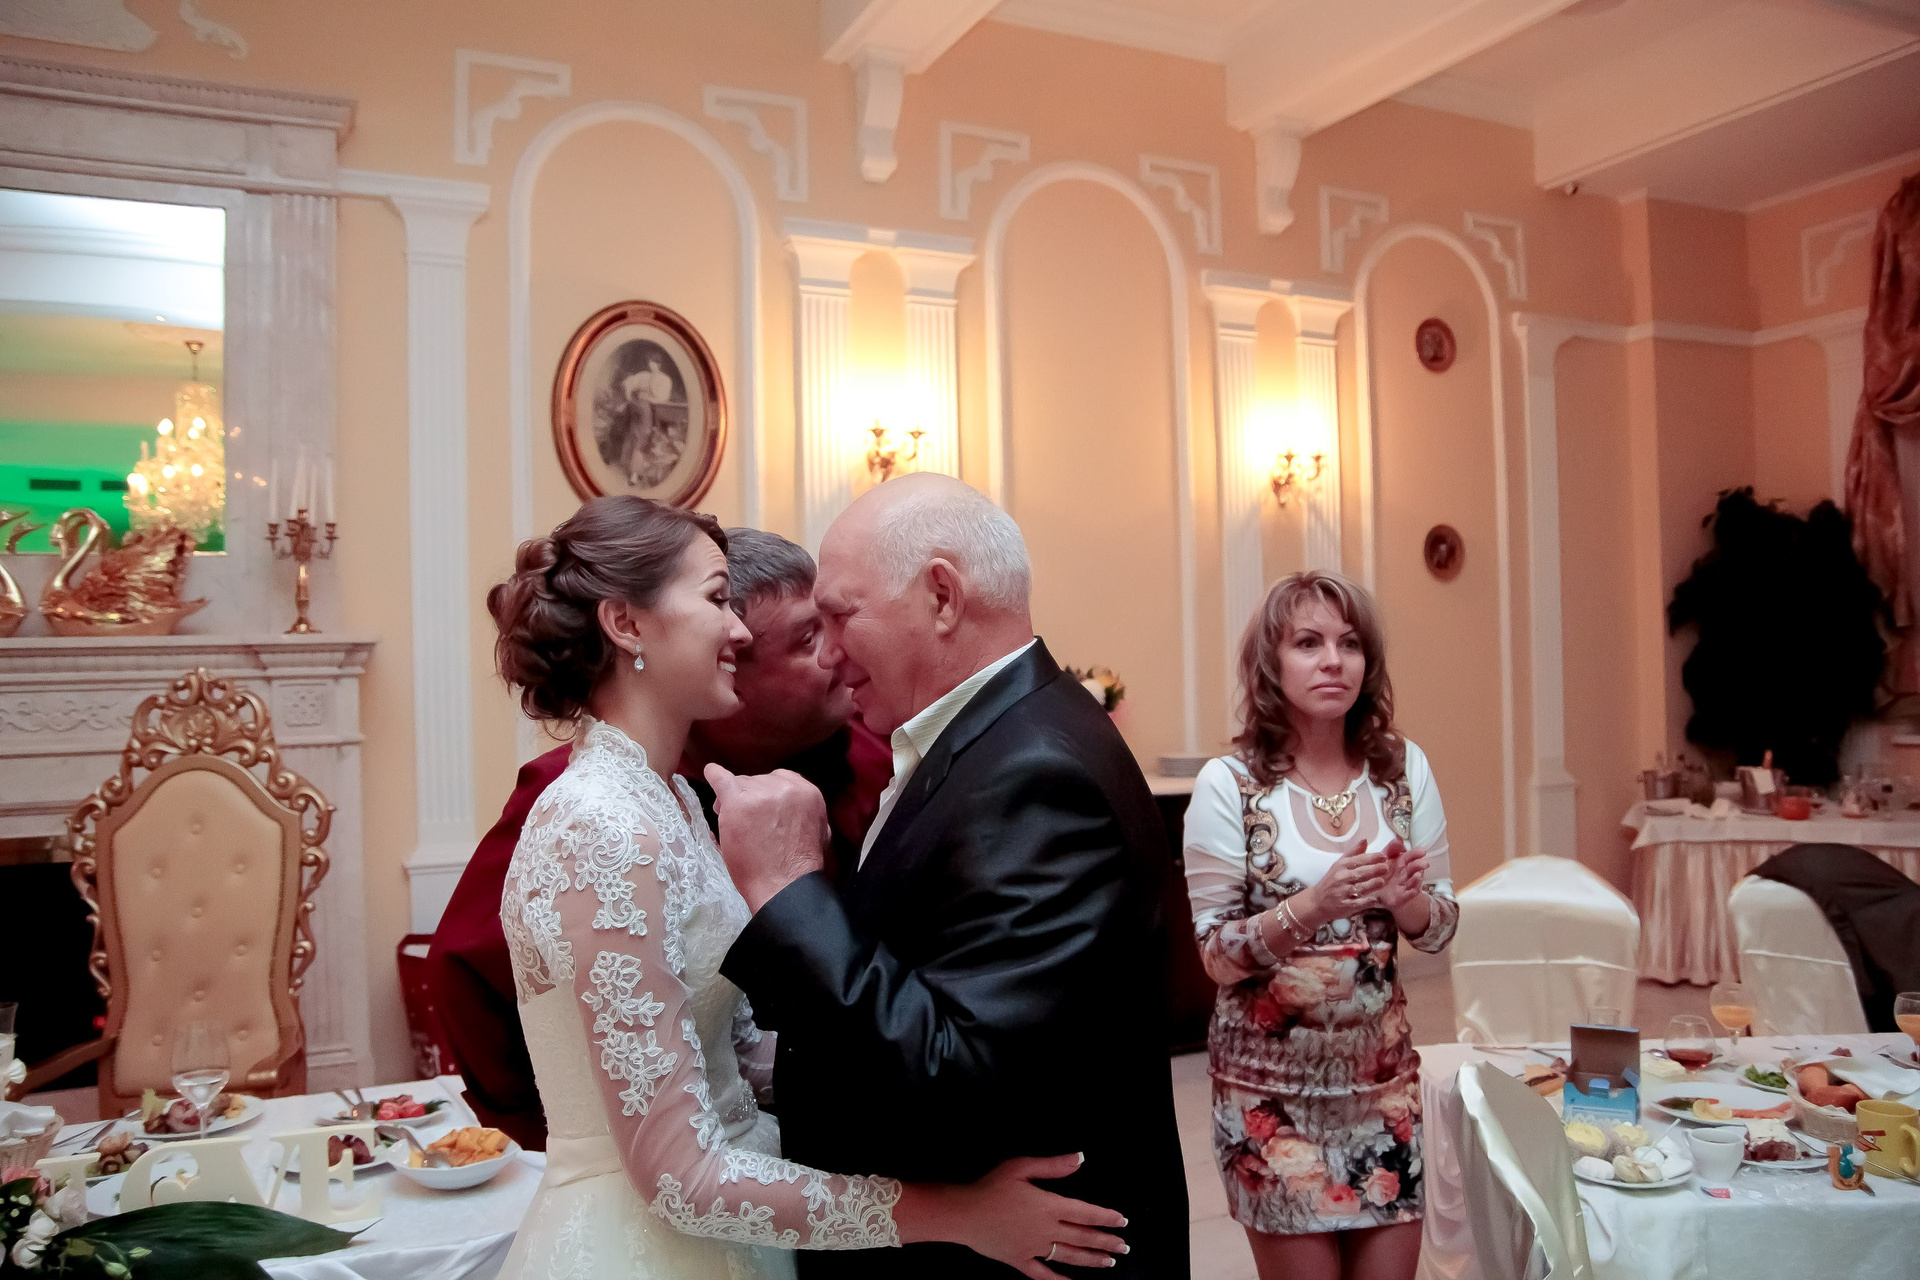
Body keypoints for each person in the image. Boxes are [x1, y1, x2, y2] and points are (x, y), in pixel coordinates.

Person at [487, 495, 1127, 1280]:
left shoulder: (675, 798)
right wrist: (955, 1215)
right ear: (626, 624)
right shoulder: (599, 824)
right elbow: (679, 1178)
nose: (740, 631)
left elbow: (731, 1046)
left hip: (743, 1212)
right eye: (718, 599)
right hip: (647, 1242)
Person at [709, 473, 1190, 1279]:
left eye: (841, 616)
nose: (827, 653)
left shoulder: (1035, 772)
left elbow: (957, 1079)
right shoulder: (988, 735)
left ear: (941, 596)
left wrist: (789, 892)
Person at [431, 528, 890, 1150]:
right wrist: (566, 1140)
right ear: (731, 667)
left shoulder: (874, 752)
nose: (839, 655)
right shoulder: (595, 806)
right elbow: (466, 970)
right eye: (807, 640)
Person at [1182, 570, 1458, 1280]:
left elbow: (1439, 928)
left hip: (1383, 1092)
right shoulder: (1228, 785)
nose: (1333, 660)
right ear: (1271, 664)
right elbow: (1216, 956)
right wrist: (1312, 906)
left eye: (1349, 643)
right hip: (1270, 1104)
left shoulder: (1403, 770)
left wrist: (1405, 902)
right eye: (1308, 643)